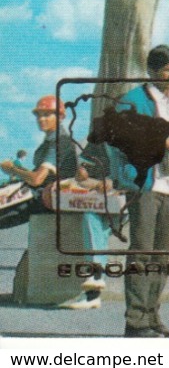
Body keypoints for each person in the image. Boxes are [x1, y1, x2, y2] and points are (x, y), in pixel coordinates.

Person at [120, 44, 169, 338]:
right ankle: (136, 321)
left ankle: (152, 315)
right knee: (141, 251)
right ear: (152, 71)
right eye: (168, 70)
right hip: (146, 184)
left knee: (162, 255)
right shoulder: (133, 100)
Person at [0, 97, 100, 309]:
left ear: (61, 117)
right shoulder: (54, 140)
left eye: (47, 115)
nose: (42, 119)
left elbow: (37, 179)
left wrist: (12, 170)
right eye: (39, 115)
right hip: (43, 196)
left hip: (44, 199)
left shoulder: (59, 142)